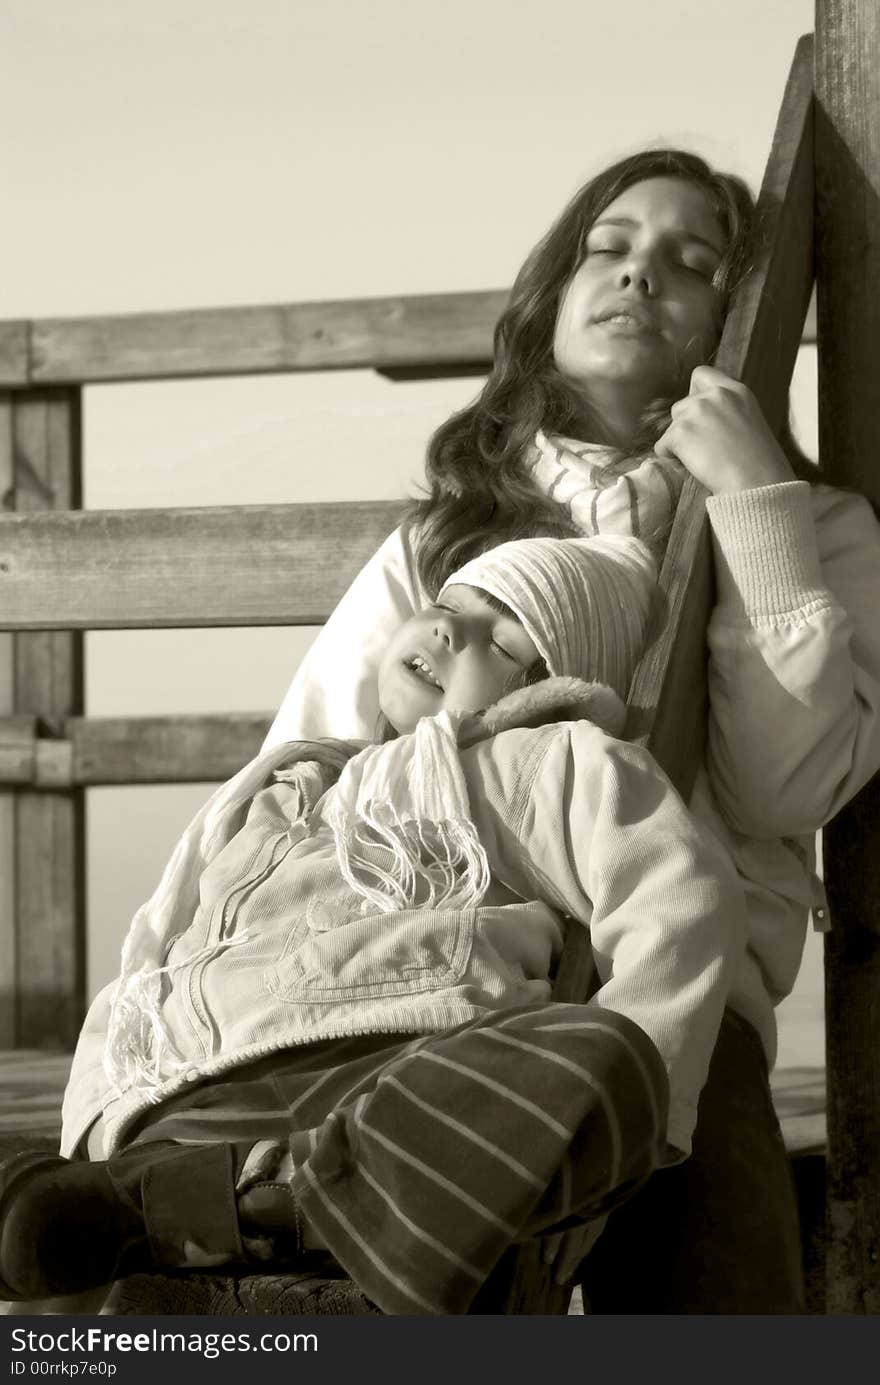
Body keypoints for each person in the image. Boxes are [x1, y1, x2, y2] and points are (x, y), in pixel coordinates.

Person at [259, 148, 880, 1312]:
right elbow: (303, 763)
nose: (641, 274)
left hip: (675, 1000)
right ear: (551, 292)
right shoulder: (439, 544)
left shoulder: (818, 528)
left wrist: (753, 510)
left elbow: (783, 789)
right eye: (610, 246)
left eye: (691, 263)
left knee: (716, 1278)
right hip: (431, 975)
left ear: (733, 318)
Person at [0, 534, 748, 1316]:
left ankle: (213, 1204)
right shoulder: (290, 790)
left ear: (544, 689)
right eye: (446, 608)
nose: (450, 632)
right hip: (198, 1090)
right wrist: (93, 1114)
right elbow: (161, 961)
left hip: (385, 1089)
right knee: (57, 1214)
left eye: (500, 637)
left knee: (610, 1055)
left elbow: (679, 891)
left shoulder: (534, 762)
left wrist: (619, 1147)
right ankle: (246, 1199)